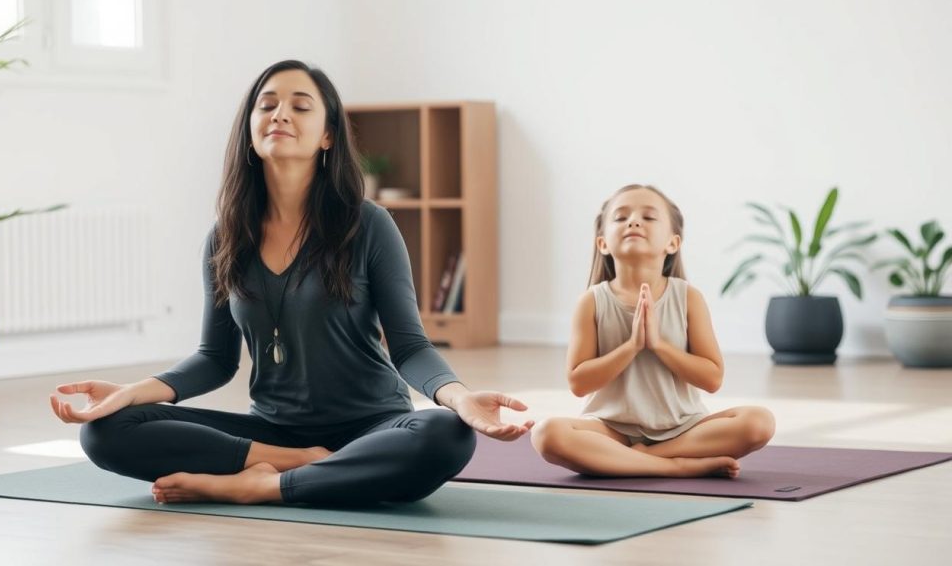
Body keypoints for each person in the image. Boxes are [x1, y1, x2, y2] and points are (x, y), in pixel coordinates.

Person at [49, 60, 533, 506]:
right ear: (250, 132)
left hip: (374, 426)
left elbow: (408, 346)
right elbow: (216, 360)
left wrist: (459, 396)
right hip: (274, 433)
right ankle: (296, 467)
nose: (280, 113)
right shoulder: (225, 237)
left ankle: (258, 488)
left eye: (300, 106)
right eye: (268, 104)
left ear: (327, 136)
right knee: (104, 432)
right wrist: (131, 392)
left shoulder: (368, 225)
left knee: (446, 436)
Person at [530, 184, 774, 478]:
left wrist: (658, 345)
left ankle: (645, 457)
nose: (633, 221)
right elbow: (579, 382)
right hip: (610, 429)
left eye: (648, 217)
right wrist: (631, 347)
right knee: (546, 434)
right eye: (620, 218)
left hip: (683, 427)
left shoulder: (688, 297)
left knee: (759, 422)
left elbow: (712, 378)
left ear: (672, 243)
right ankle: (675, 467)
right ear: (603, 244)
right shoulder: (591, 301)